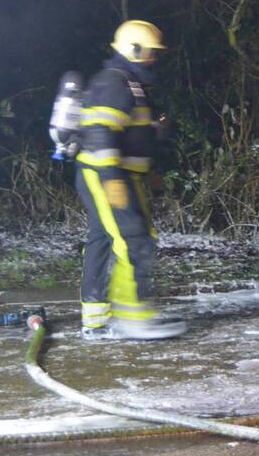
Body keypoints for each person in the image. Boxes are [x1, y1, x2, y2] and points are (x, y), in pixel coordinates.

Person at [75, 20, 187, 341]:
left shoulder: (132, 84)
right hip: (107, 174)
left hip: (117, 174)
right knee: (135, 239)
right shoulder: (116, 82)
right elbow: (101, 132)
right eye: (151, 52)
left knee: (102, 241)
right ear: (134, 50)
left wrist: (148, 168)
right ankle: (133, 317)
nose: (154, 58)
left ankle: (95, 320)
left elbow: (133, 135)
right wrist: (113, 180)